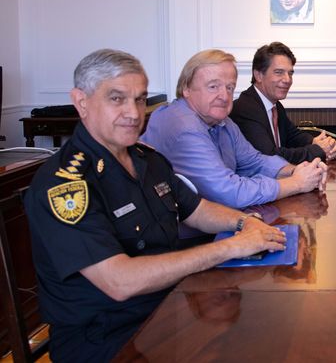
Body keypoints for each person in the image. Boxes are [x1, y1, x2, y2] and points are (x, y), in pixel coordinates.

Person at [24, 49, 289, 362]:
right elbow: (119, 282)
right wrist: (230, 248)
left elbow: (197, 209)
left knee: (270, 333)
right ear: (81, 102)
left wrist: (242, 224)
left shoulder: (147, 159)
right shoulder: (65, 185)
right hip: (107, 337)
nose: (134, 113)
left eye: (139, 99)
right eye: (116, 99)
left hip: (166, 307)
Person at [141, 49, 326, 209]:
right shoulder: (184, 125)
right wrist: (295, 184)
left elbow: (254, 161)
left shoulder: (222, 121)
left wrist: (297, 171)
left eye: (230, 88)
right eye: (213, 86)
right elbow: (228, 191)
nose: (224, 96)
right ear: (186, 88)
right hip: (174, 238)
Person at [230, 42, 336, 164]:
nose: (288, 80)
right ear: (258, 75)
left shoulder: (275, 105)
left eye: (290, 73)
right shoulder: (245, 109)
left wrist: (316, 142)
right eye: (279, 72)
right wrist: (318, 150)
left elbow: (293, 136)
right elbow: (270, 156)